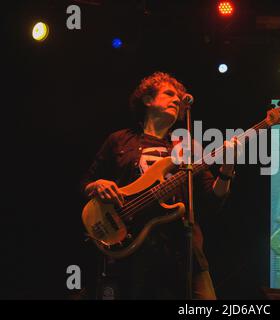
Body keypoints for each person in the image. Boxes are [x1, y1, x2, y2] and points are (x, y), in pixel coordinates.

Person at [81, 71, 240, 299]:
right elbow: (85, 181)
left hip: (181, 250)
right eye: (168, 94)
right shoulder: (120, 140)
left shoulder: (187, 148)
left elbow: (212, 198)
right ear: (148, 100)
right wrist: (97, 185)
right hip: (131, 248)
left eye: (179, 97)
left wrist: (227, 169)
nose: (176, 99)